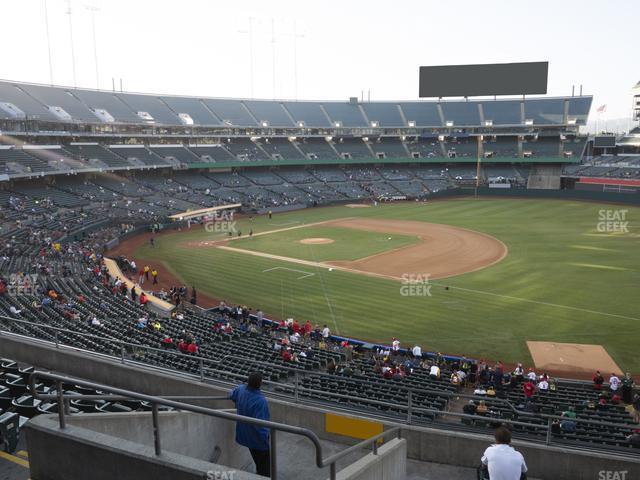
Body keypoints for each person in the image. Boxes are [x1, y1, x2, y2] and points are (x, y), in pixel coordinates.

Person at [229, 373, 271, 477]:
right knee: (265, 470)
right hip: (258, 441)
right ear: (260, 384)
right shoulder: (261, 401)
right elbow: (261, 426)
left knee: (257, 460)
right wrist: (266, 440)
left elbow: (231, 394)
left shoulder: (241, 389)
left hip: (244, 435)